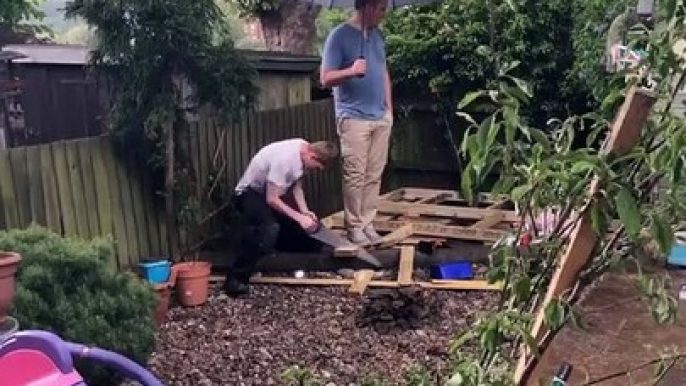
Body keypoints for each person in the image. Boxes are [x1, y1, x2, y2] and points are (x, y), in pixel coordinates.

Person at [222, 138, 339, 296]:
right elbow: (272, 199)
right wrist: (299, 217)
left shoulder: (304, 149)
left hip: (270, 194)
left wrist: (304, 212)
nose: (314, 172)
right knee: (269, 229)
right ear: (312, 157)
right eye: (316, 168)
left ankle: (289, 257)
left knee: (305, 225)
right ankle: (236, 280)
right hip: (249, 194)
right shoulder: (284, 159)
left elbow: (297, 186)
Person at [320, 0, 393, 246]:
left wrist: (389, 110)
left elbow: (383, 72)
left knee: (374, 174)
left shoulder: (377, 36)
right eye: (381, 8)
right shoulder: (338, 36)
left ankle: (367, 223)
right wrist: (351, 71)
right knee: (356, 174)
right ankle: (354, 227)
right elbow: (325, 78)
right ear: (368, 6)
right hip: (353, 117)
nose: (384, 14)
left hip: (379, 117)